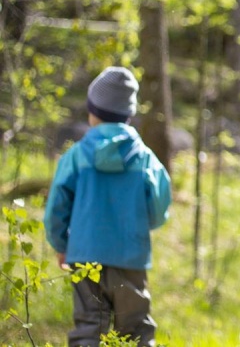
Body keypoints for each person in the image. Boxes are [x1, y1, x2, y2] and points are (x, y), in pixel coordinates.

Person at [44, 66, 172, 347]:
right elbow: (161, 203)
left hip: (84, 254)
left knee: (90, 326)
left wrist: (61, 243)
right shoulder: (144, 158)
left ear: (93, 112)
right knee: (135, 330)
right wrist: (142, 223)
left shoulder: (76, 156)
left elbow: (57, 207)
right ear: (128, 114)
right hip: (130, 255)